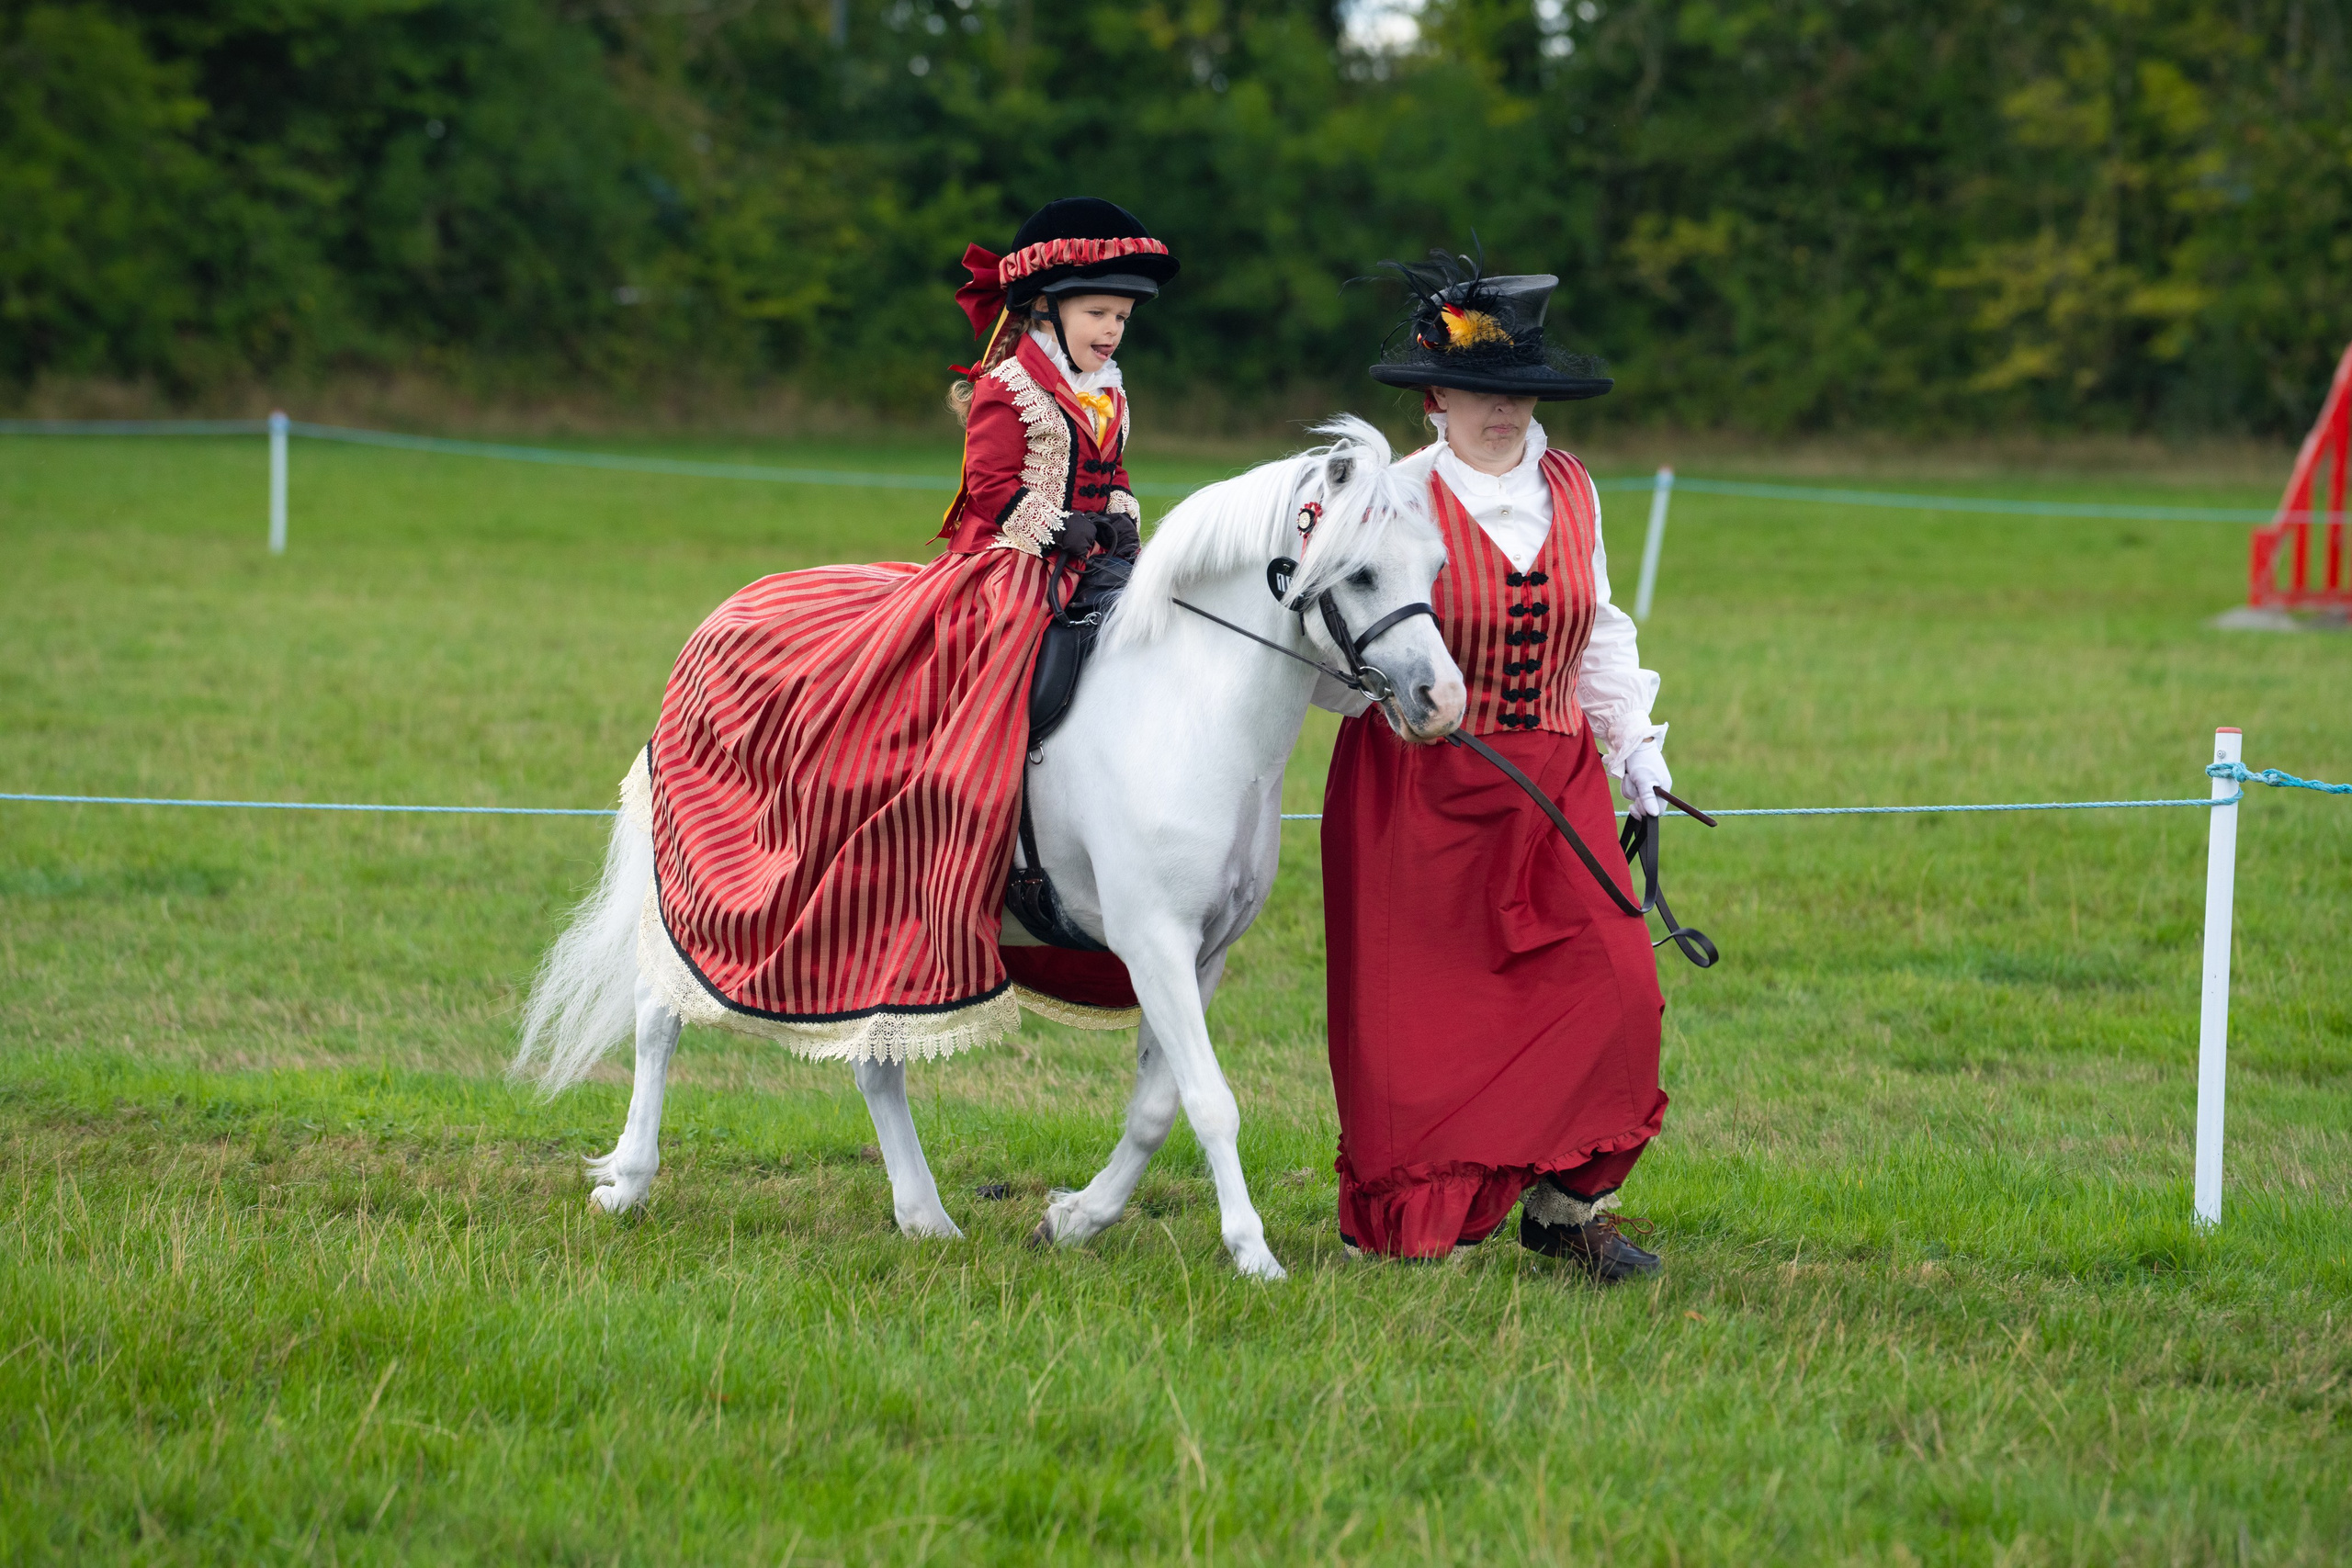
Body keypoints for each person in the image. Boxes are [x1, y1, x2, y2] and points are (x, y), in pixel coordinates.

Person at [634, 198, 1175, 1062]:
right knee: (980, 708)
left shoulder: (1106, 389)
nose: (1113, 331)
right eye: (1099, 313)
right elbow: (990, 492)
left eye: (1122, 317)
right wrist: (1058, 527)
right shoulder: (1011, 388)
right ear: (1048, 309)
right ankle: (953, 840)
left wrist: (1117, 519)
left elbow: (1111, 474)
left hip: (1093, 566)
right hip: (1005, 575)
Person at [1319, 250, 1677, 1280]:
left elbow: (1597, 624)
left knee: (1621, 990)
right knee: (1422, 1027)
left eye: (1518, 392)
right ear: (1437, 397)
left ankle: (1568, 1210)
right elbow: (1336, 649)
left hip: (1554, 781)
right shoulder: (1392, 496)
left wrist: (1633, 745)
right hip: (1417, 793)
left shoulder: (1574, 486)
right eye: (1481, 391)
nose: (1504, 411)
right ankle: (1413, 1219)